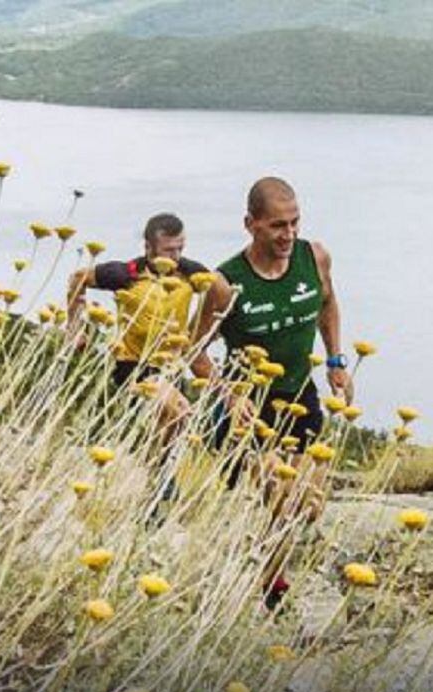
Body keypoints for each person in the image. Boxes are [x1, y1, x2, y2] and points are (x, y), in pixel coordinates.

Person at [190, 177, 351, 607]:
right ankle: (268, 588)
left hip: (299, 398)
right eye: (278, 225)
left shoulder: (313, 256)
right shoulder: (226, 282)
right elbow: (195, 351)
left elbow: (327, 304)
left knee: (308, 506)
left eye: (295, 222)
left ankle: (262, 568)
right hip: (246, 409)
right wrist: (228, 395)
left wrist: (336, 360)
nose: (289, 234)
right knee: (284, 494)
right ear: (251, 224)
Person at [67, 213, 207, 434]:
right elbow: (77, 279)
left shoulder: (191, 273)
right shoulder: (126, 274)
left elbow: (221, 294)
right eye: (169, 250)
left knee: (173, 430)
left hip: (172, 368)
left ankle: (154, 467)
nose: (176, 256)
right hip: (133, 365)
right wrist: (75, 328)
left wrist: (204, 333)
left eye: (180, 248)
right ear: (149, 248)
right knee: (178, 409)